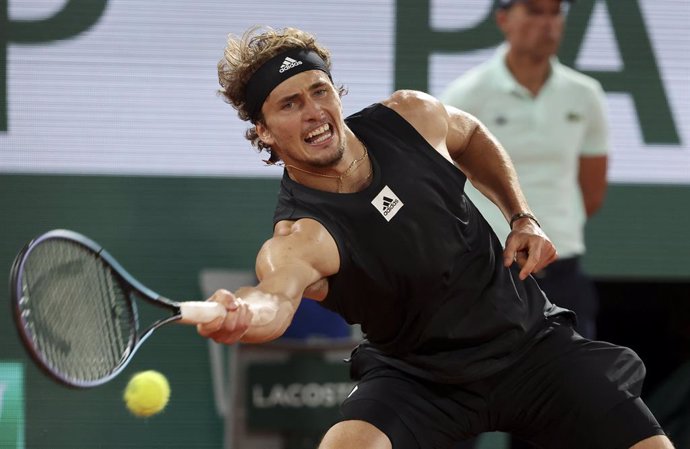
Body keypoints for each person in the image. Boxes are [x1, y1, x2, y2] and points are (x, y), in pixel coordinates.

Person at [197, 25, 673, 449]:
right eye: (290, 103)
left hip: (529, 345)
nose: (314, 112)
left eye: (319, 91)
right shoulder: (300, 237)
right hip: (419, 378)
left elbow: (471, 136)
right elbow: (272, 301)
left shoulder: (410, 117)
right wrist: (242, 313)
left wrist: (521, 216)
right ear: (263, 132)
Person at [441, 0, 608, 340]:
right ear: (503, 19)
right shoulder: (466, 94)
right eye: (534, 10)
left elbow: (591, 193)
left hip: (563, 272)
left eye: (554, 12)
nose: (548, 23)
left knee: (578, 389)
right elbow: (445, 187)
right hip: (489, 271)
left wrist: (550, 238)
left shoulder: (585, 95)